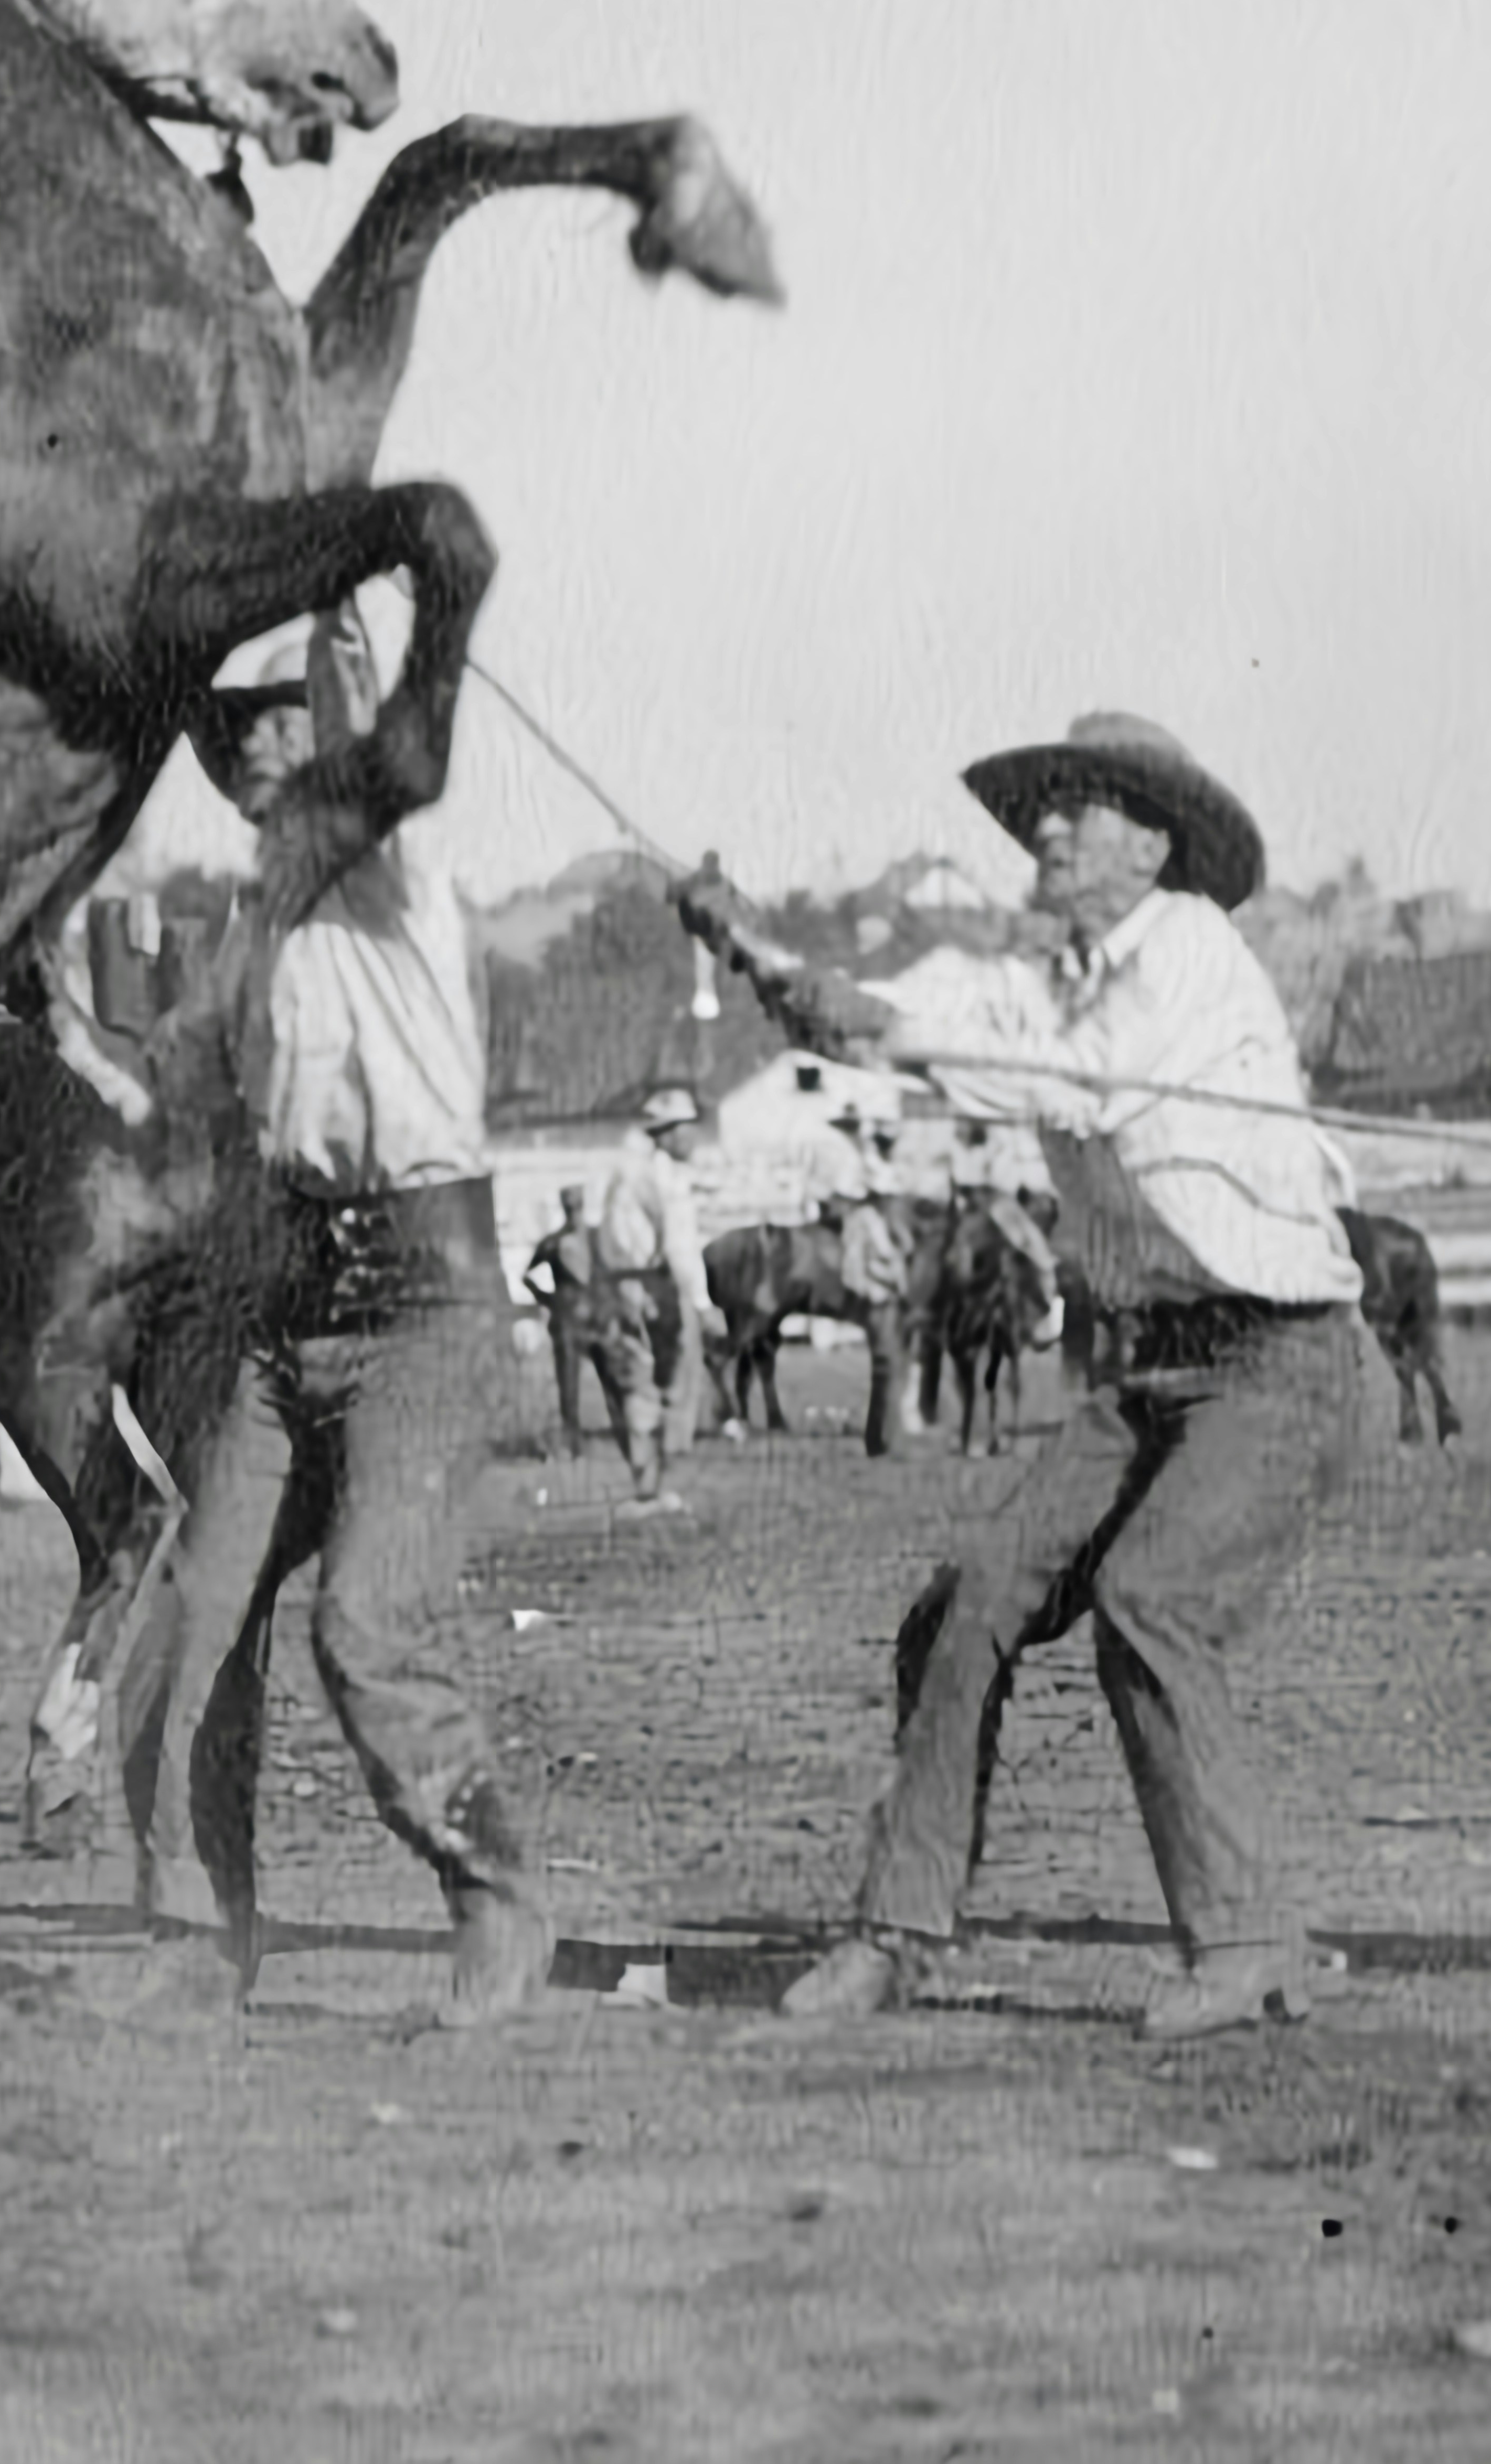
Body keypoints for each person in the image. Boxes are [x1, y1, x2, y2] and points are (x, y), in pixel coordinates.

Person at [679, 709, 1368, 2046]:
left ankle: (1246, 1943)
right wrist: (763, 955)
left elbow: (1076, 1082)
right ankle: (896, 1932)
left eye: (1085, 803)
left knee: (1148, 1601)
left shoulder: (1186, 950)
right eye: (1042, 806)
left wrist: (879, 1020)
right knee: (962, 1609)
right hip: (1150, 1367)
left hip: (1278, 1360)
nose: (1047, 825)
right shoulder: (1036, 977)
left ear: (1153, 842)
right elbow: (912, 1020)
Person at [73, 609, 552, 2031]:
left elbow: (379, 751)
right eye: (240, 738)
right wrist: (43, 1004)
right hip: (290, 1315)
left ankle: (498, 1901)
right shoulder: (245, 935)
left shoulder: (393, 873)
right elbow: (162, 1092)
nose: (264, 752)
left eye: (293, 724)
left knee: (363, 1625)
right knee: (182, 1619)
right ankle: (196, 1928)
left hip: (430, 1309)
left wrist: (350, 639)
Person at [589, 1084, 716, 1513]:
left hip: (620, 1283)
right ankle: (653, 1486)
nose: (695, 1139)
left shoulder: (626, 1170)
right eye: (688, 1129)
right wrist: (701, 1303)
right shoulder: (665, 1178)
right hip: (652, 1284)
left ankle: (648, 1481)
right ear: (669, 1132)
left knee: (637, 1381)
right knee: (663, 1381)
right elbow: (680, 1246)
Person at [828, 1118, 920, 1458]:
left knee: (890, 1371)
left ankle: (884, 1438)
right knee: (886, 1370)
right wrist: (873, 1291)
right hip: (878, 1301)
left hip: (889, 1299)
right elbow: (853, 1268)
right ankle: (882, 1440)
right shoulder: (862, 1222)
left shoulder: (882, 1222)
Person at [520, 1183, 605, 1454]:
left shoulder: (595, 1238)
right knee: (568, 1383)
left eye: (577, 1206)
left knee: (616, 1375)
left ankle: (620, 1435)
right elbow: (527, 1275)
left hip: (596, 1316)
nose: (574, 1211)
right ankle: (573, 1439)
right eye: (571, 1207)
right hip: (568, 1318)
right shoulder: (553, 1243)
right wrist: (548, 1299)